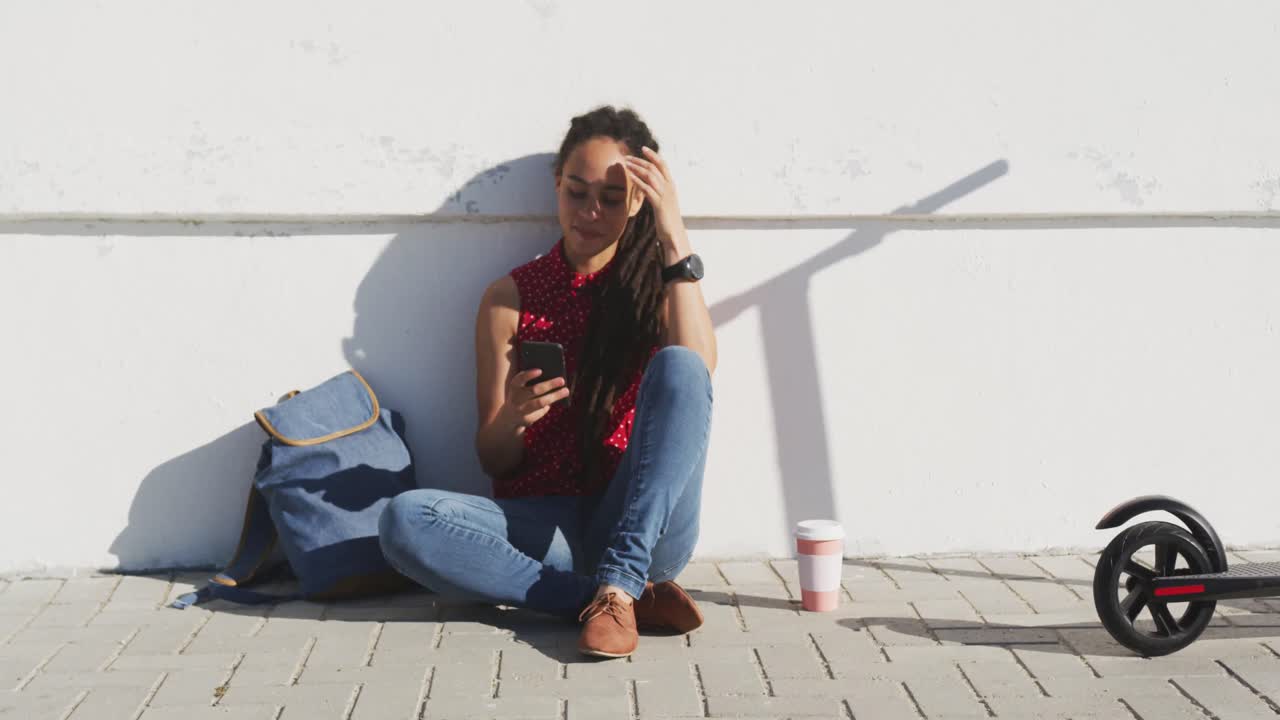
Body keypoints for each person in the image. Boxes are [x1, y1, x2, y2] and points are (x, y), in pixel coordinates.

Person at [378, 105, 716, 658]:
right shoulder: (509, 298)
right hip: (545, 531)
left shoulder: (658, 285)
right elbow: (493, 458)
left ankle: (622, 576)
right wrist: (513, 417)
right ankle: (606, 598)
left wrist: (674, 234)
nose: (589, 212)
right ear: (557, 184)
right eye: (576, 193)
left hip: (640, 524)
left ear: (638, 202)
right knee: (404, 519)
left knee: (679, 364)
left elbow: (697, 373)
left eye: (612, 199)